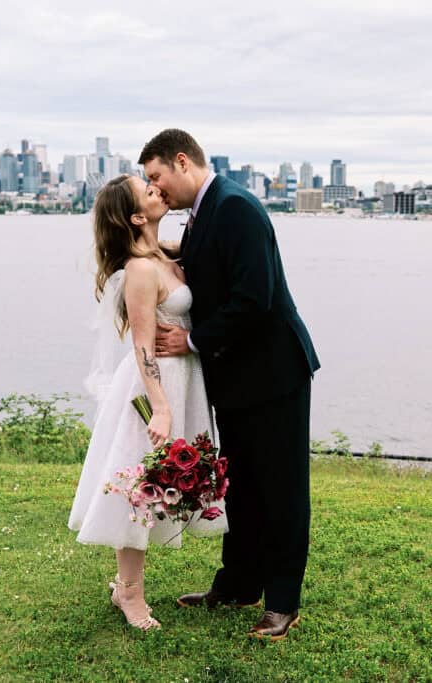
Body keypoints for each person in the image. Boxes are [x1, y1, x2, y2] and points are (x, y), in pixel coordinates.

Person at [143, 129, 320, 641]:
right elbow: (193, 263)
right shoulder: (202, 214)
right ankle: (239, 584)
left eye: (156, 177)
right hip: (237, 376)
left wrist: (192, 340)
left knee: (282, 489)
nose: (156, 189)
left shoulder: (237, 206)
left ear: (181, 161)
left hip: (274, 372)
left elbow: (254, 297)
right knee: (240, 483)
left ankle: (282, 601)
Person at [67, 173, 226, 631]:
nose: (157, 189)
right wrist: (160, 406)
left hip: (184, 380)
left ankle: (127, 587)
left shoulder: (166, 254)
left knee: (159, 487)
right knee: (140, 490)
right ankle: (129, 594)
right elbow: (141, 344)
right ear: (137, 216)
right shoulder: (140, 269)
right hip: (151, 388)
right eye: (148, 189)